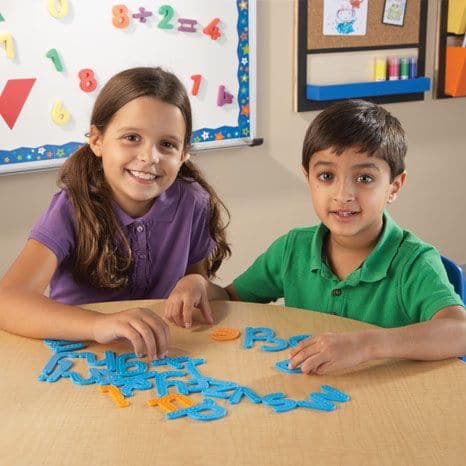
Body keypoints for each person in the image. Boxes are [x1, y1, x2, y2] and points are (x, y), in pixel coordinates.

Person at [166, 99, 466, 375]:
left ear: (394, 187)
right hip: (311, 399)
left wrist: (366, 345)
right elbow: (232, 298)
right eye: (326, 176)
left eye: (364, 179)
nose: (343, 195)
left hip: (389, 408)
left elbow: (459, 332)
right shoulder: (292, 250)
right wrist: (198, 284)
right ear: (308, 177)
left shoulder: (414, 263)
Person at [0, 67, 230, 361]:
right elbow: (8, 300)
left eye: (167, 144)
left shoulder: (192, 201)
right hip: (78, 357)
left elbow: (196, 280)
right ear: (97, 140)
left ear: (184, 153)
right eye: (132, 137)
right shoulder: (71, 206)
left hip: (158, 358)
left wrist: (197, 283)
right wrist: (98, 324)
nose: (149, 157)